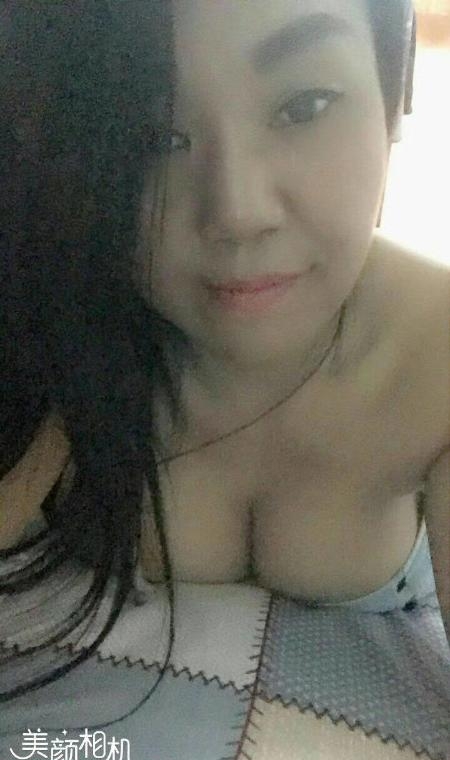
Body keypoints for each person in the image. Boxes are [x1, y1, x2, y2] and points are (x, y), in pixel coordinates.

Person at [0, 0, 449, 713]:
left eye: (305, 105)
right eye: (152, 136)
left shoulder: (436, 357)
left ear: (393, 96)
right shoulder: (49, 321)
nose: (237, 213)